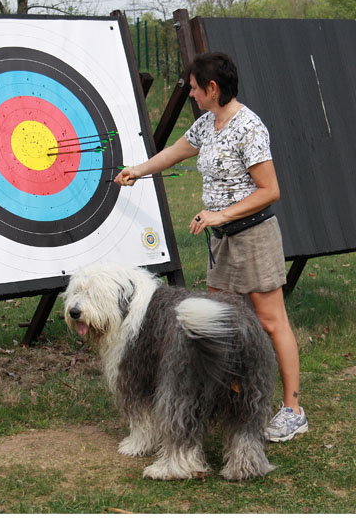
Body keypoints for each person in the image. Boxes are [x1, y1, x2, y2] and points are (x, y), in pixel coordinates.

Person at [114, 52, 307, 443]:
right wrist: (138, 169)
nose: (191, 95)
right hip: (223, 242)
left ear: (213, 88)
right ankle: (227, 397)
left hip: (254, 237)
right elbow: (176, 152)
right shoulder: (207, 124)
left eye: (194, 89)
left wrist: (221, 215)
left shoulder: (249, 127)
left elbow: (271, 190)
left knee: (270, 322)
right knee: (216, 323)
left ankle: (292, 409)